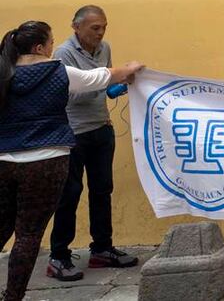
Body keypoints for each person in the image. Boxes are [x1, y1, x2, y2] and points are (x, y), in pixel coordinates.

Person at [0, 21, 141, 300]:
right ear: (40, 47)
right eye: (51, 43)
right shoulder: (59, 72)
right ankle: (13, 296)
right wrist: (132, 68)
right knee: (28, 235)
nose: (54, 47)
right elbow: (105, 76)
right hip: (47, 160)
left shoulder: (4, 74)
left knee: (2, 225)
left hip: (4, 159)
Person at [48, 6, 139, 282]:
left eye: (103, 27)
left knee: (102, 190)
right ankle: (58, 256)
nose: (100, 33)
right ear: (76, 27)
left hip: (101, 129)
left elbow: (103, 88)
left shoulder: (105, 49)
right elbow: (71, 95)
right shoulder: (63, 54)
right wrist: (107, 80)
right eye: (94, 28)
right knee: (69, 193)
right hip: (73, 132)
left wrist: (118, 86)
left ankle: (101, 248)